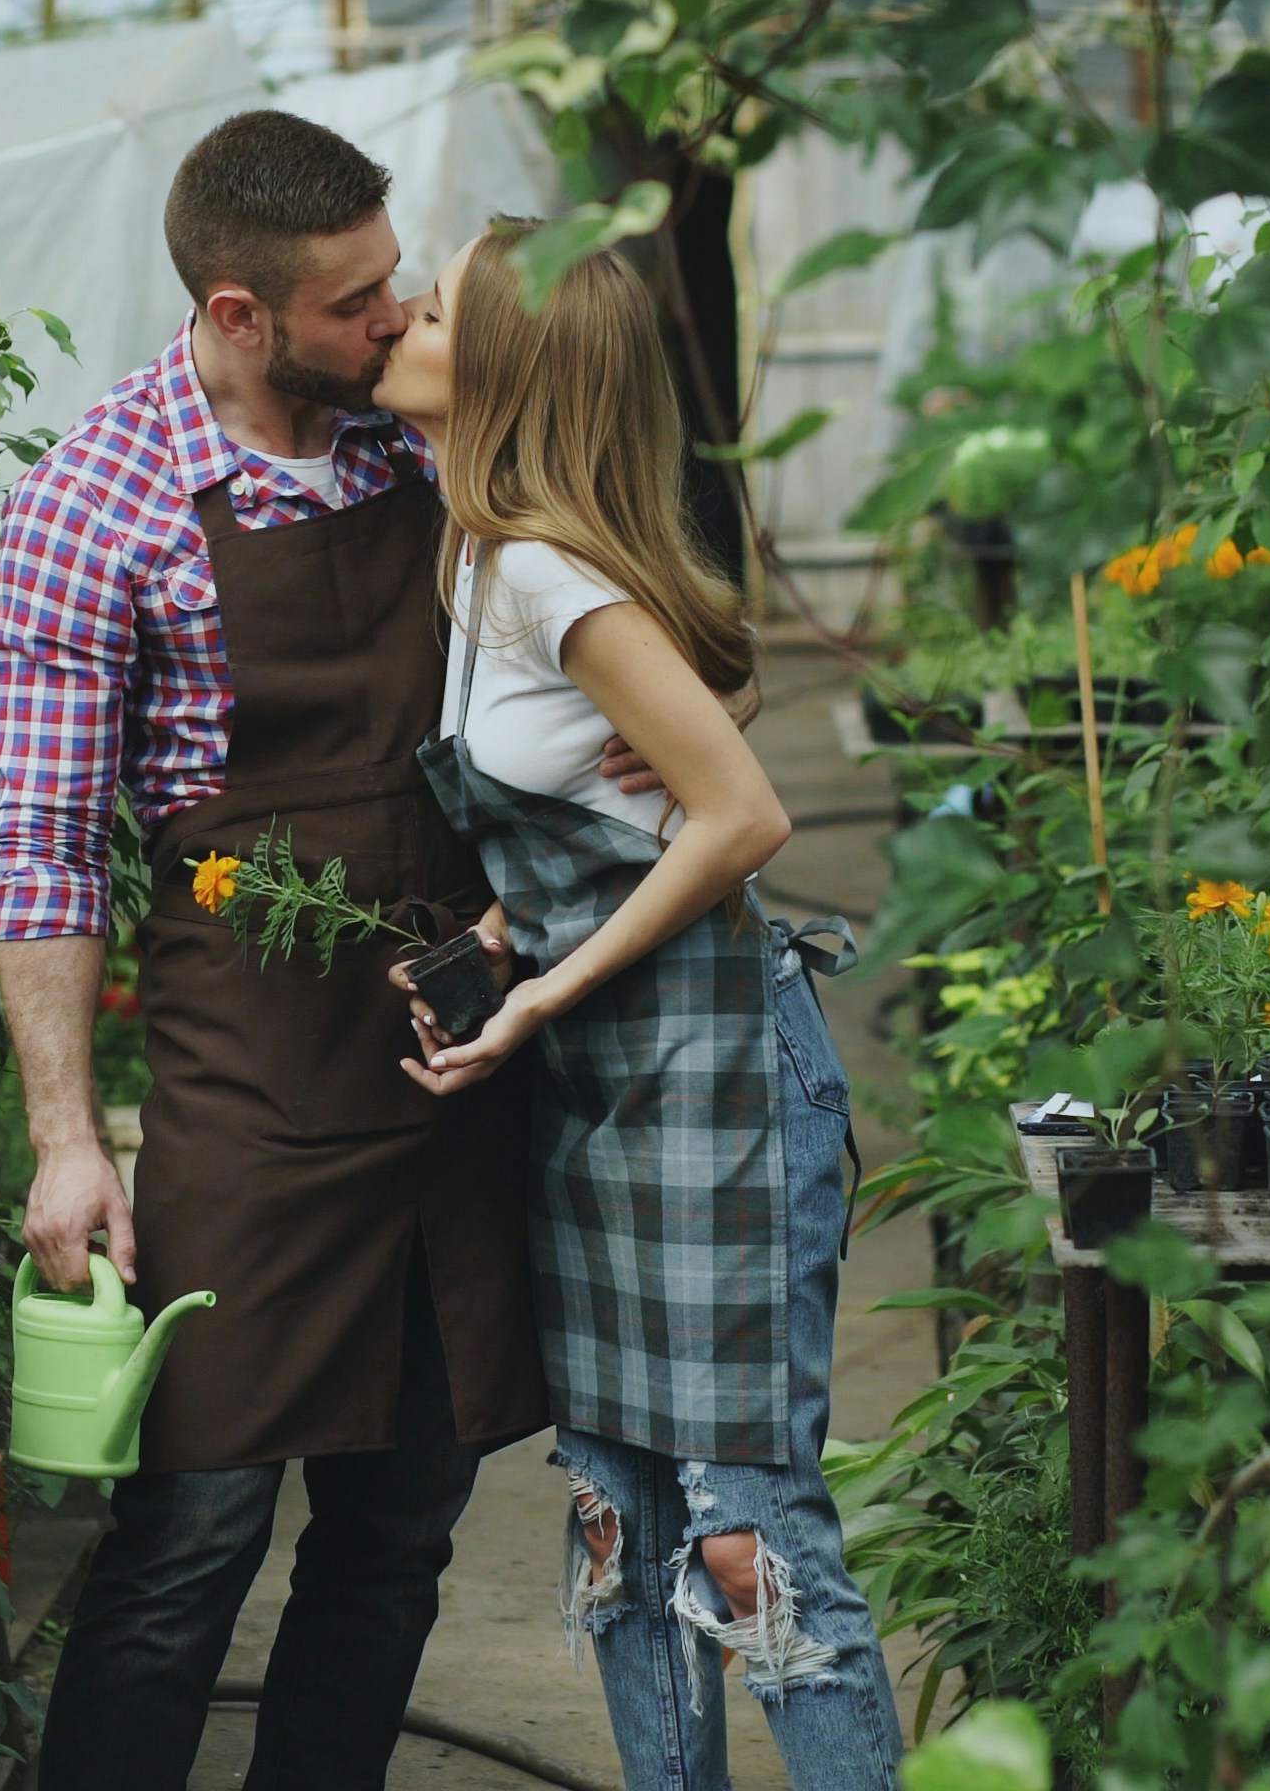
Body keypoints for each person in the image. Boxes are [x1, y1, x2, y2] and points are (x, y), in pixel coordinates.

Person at [0, 111, 553, 1791]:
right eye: (359, 304)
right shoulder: (99, 504)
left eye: (400, 287)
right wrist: (71, 1142)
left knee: (400, 1538)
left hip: (453, 1068)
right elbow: (45, 855)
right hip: (251, 1096)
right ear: (239, 313)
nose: (399, 323)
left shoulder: (421, 449)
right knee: (189, 1542)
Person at [370, 218, 903, 1790]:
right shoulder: (473, 545)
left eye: (440, 307)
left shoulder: (540, 570)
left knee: (749, 1530)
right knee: (617, 1510)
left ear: (510, 365)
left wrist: (540, 998)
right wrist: (486, 949)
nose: (404, 316)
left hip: (720, 1074)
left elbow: (741, 814)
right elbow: (596, 831)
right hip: (613, 1096)